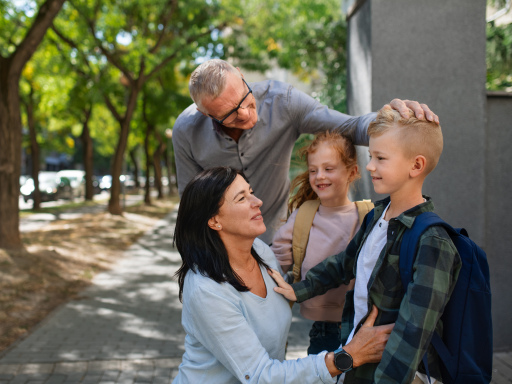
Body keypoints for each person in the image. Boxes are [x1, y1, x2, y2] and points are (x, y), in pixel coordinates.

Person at [269, 107, 461, 383]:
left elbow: (414, 331)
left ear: (416, 166)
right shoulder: (376, 216)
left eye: (380, 158)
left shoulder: (433, 242)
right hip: (358, 362)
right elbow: (344, 263)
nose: (370, 166)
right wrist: (298, 290)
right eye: (371, 156)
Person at [172, 59, 439, 243]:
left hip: (273, 237)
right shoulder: (186, 130)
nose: (245, 114)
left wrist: (392, 119)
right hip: (220, 241)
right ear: (205, 113)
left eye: (245, 98)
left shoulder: (283, 101)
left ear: (242, 75)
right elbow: (191, 200)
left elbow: (350, 126)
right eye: (230, 114)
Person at [172, 166, 394, 383]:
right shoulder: (207, 291)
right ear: (214, 221)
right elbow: (260, 375)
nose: (257, 201)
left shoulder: (260, 252)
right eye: (241, 198)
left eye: (251, 192)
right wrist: (348, 356)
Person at [271, 131, 371, 356]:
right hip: (324, 329)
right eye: (313, 170)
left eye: (329, 168)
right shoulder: (304, 215)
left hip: (363, 327)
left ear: (352, 172)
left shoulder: (368, 216)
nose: (319, 176)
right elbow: (275, 261)